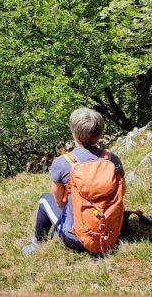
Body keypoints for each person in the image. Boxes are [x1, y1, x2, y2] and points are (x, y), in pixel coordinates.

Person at [32, 107, 125, 253]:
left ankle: (37, 244)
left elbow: (59, 202)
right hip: (110, 235)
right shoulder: (112, 159)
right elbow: (122, 191)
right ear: (100, 133)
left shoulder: (63, 162)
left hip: (76, 240)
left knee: (45, 199)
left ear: (73, 133)